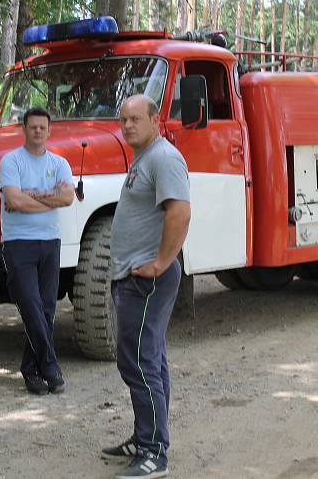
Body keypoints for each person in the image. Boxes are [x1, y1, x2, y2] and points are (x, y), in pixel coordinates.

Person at [102, 94, 191, 479]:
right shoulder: (145, 157)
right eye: (123, 120)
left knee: (137, 360)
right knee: (149, 358)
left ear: (156, 120)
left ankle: (154, 452)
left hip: (146, 280)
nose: (127, 126)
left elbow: (180, 211)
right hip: (135, 277)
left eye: (135, 119)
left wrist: (161, 262)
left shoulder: (164, 157)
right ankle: (147, 438)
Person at [0, 107, 73, 395]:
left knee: (46, 308)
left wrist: (31, 195)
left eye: (43, 127)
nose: (38, 131)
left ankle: (31, 370)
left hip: (50, 242)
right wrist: (47, 197)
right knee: (30, 306)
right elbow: (14, 200)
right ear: (24, 130)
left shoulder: (60, 163)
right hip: (18, 243)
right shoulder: (11, 162)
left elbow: (67, 198)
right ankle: (51, 368)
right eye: (33, 127)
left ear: (49, 130)